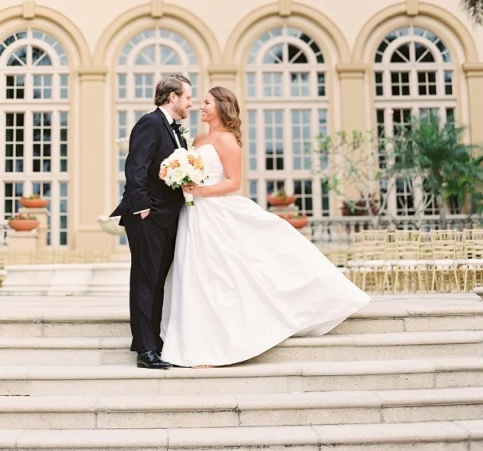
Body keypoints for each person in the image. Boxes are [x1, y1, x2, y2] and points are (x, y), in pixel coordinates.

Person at [161, 86, 371, 368]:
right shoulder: (199, 137)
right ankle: (199, 340)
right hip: (193, 216)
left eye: (207, 102)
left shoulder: (227, 141)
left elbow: (233, 182)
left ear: (222, 107)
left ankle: (223, 339)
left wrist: (199, 190)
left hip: (215, 212)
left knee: (221, 275)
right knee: (195, 275)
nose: (201, 106)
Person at [110, 74, 192, 369]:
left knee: (157, 283)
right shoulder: (149, 123)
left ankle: (152, 342)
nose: (190, 104)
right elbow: (135, 168)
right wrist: (142, 209)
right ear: (172, 97)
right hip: (148, 217)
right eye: (187, 98)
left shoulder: (175, 130)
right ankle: (145, 350)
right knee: (145, 281)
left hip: (168, 216)